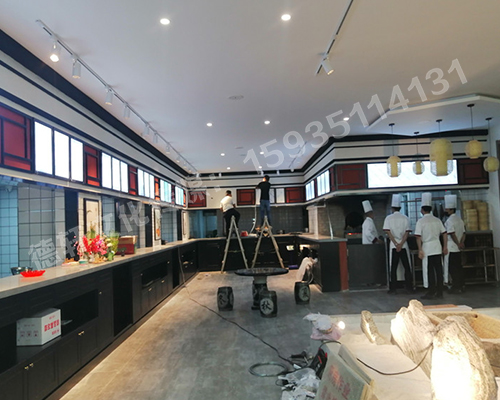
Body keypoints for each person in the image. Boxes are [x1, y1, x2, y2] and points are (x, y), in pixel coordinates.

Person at [415, 192, 448, 299]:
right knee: (438, 270)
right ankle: (440, 292)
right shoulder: (437, 220)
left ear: (422, 210)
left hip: (427, 248)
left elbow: (418, 237)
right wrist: (445, 246)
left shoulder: (421, 221)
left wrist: (420, 249)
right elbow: (444, 233)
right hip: (437, 247)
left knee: (429, 271)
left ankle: (431, 291)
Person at [383, 194, 413, 294]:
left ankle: (393, 288)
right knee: (407, 267)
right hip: (403, 245)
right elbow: (407, 233)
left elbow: (388, 232)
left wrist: (396, 243)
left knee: (394, 267)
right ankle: (409, 287)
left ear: (392, 208)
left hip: (393, 245)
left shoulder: (388, 218)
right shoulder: (405, 218)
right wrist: (401, 243)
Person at [444, 194, 466, 294]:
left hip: (452, 247)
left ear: (451, 210)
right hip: (458, 248)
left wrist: (457, 243)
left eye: (447, 209)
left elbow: (452, 234)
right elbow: (464, 233)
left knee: (452, 268)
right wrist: (461, 243)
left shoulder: (449, 221)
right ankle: (462, 285)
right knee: (459, 267)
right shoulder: (460, 220)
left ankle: (456, 286)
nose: (445, 210)